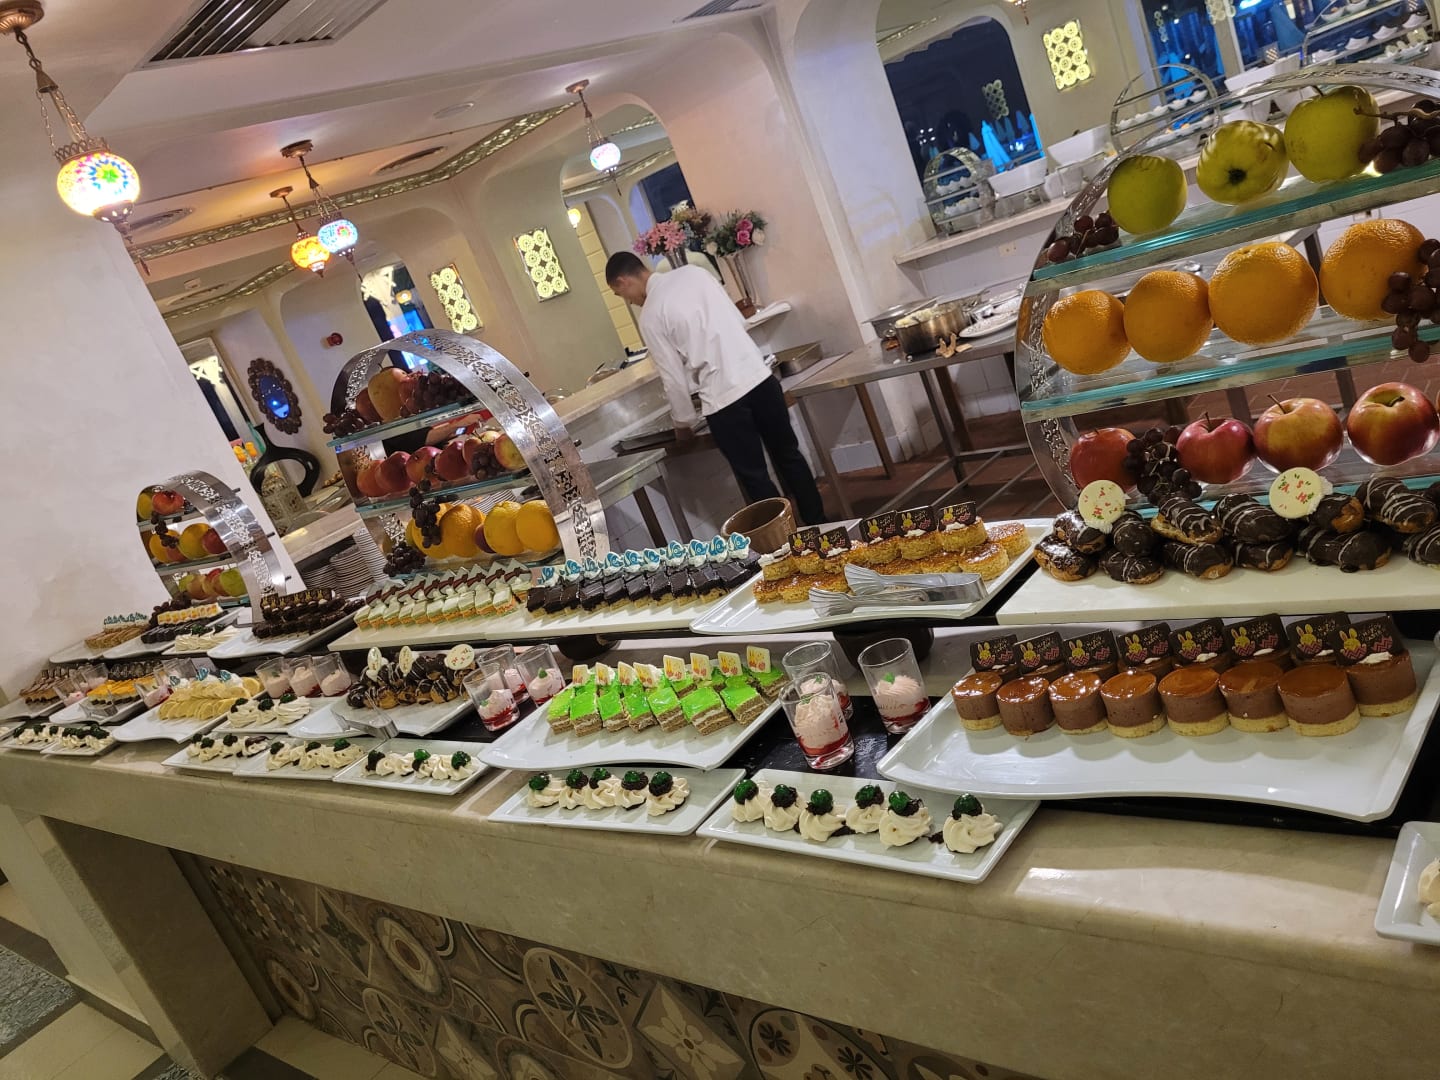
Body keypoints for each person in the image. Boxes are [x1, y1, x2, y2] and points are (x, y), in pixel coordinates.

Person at [605, 251, 827, 525]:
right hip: (760, 379)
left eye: (621, 294)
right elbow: (738, 320)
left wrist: (683, 423)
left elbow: (672, 377)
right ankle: (819, 527)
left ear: (623, 281)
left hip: (725, 401)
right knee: (789, 456)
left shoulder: (651, 315)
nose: (629, 301)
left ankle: (784, 542)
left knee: (756, 478)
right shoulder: (695, 274)